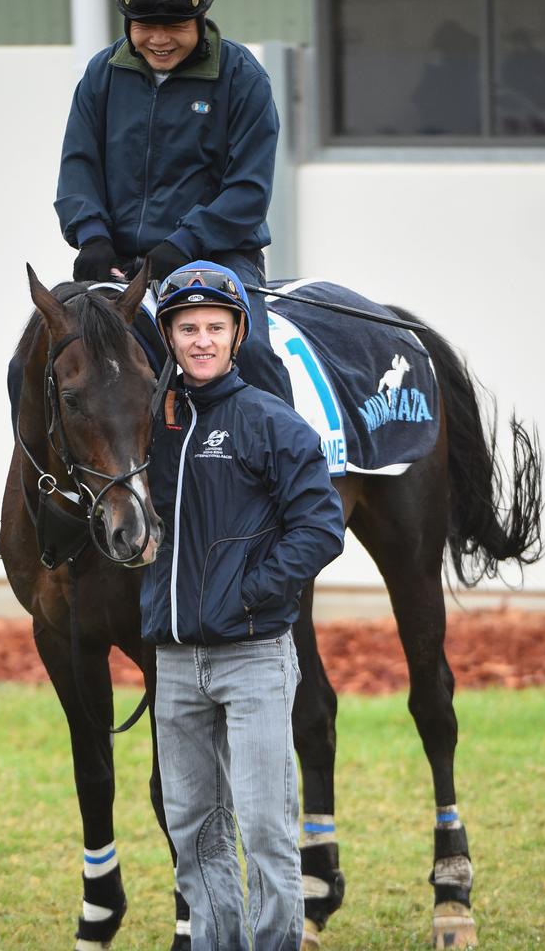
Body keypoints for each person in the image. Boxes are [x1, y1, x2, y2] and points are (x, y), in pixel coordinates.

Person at [141, 261, 344, 950]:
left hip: (254, 658)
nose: (201, 340)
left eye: (214, 328)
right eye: (188, 327)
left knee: (264, 832)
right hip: (174, 665)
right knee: (194, 835)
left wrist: (253, 591)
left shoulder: (272, 423)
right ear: (169, 336)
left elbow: (321, 529)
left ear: (237, 334)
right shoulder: (152, 433)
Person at [54, 0, 292, 404]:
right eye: (146, 26)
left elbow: (248, 191)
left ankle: (292, 468)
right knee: (30, 361)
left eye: (174, 27)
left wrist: (183, 243)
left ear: (201, 20)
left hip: (217, 259)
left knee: (254, 352)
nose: (159, 40)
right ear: (127, 22)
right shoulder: (102, 74)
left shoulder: (243, 78)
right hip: (116, 261)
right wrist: (91, 236)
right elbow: (78, 165)